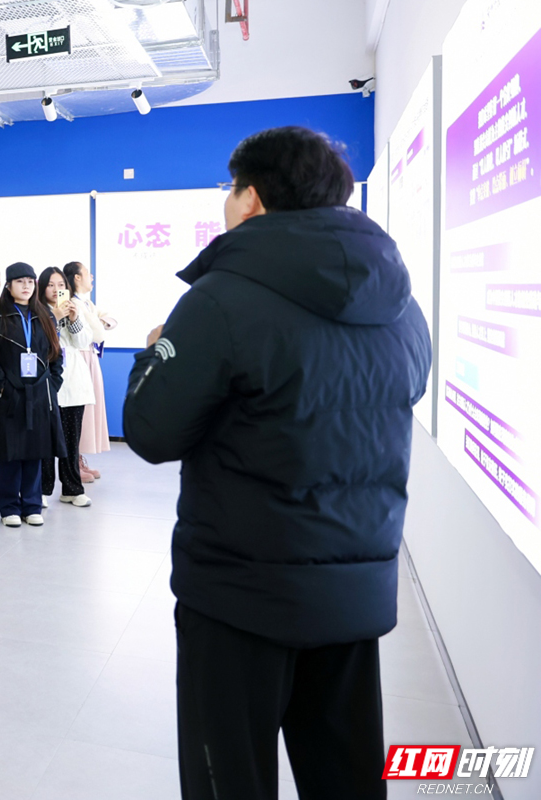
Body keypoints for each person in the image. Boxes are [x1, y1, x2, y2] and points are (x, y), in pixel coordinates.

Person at [121, 127, 431, 800]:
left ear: (252, 198)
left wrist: (157, 354)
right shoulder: (401, 306)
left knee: (231, 780)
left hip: (241, 594)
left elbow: (150, 431)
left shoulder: (220, 298)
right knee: (346, 778)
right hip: (356, 589)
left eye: (229, 189)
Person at [0, 262, 64, 528]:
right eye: (19, 281)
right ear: (9, 285)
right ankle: (9, 507)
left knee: (36, 451)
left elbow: (56, 353)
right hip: (10, 392)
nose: (26, 286)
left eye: (29, 281)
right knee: (11, 452)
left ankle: (32, 505)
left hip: (40, 393)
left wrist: (53, 383)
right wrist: (2, 385)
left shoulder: (45, 315)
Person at [37, 267, 93, 507]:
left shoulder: (74, 308)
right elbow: (43, 344)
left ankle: (72, 489)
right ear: (42, 287)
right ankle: (42, 490)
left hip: (74, 384)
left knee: (71, 441)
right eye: (51, 285)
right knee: (46, 441)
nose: (56, 289)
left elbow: (83, 342)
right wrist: (55, 318)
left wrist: (73, 319)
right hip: (49, 384)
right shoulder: (37, 312)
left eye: (61, 285)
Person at [63, 261, 112, 484]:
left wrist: (99, 322)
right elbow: (97, 333)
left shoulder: (87, 303)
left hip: (89, 356)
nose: (91, 276)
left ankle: (79, 459)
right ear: (77, 277)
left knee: (88, 410)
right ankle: (74, 462)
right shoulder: (73, 303)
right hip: (79, 356)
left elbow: (105, 322)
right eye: (86, 273)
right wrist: (99, 324)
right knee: (79, 412)